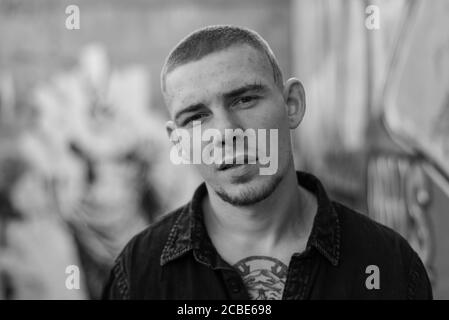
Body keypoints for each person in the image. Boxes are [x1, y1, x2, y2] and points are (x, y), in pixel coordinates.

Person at [102, 25, 432, 300]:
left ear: (292, 105)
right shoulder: (137, 275)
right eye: (196, 117)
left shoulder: (387, 263)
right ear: (178, 142)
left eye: (244, 100)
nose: (226, 132)